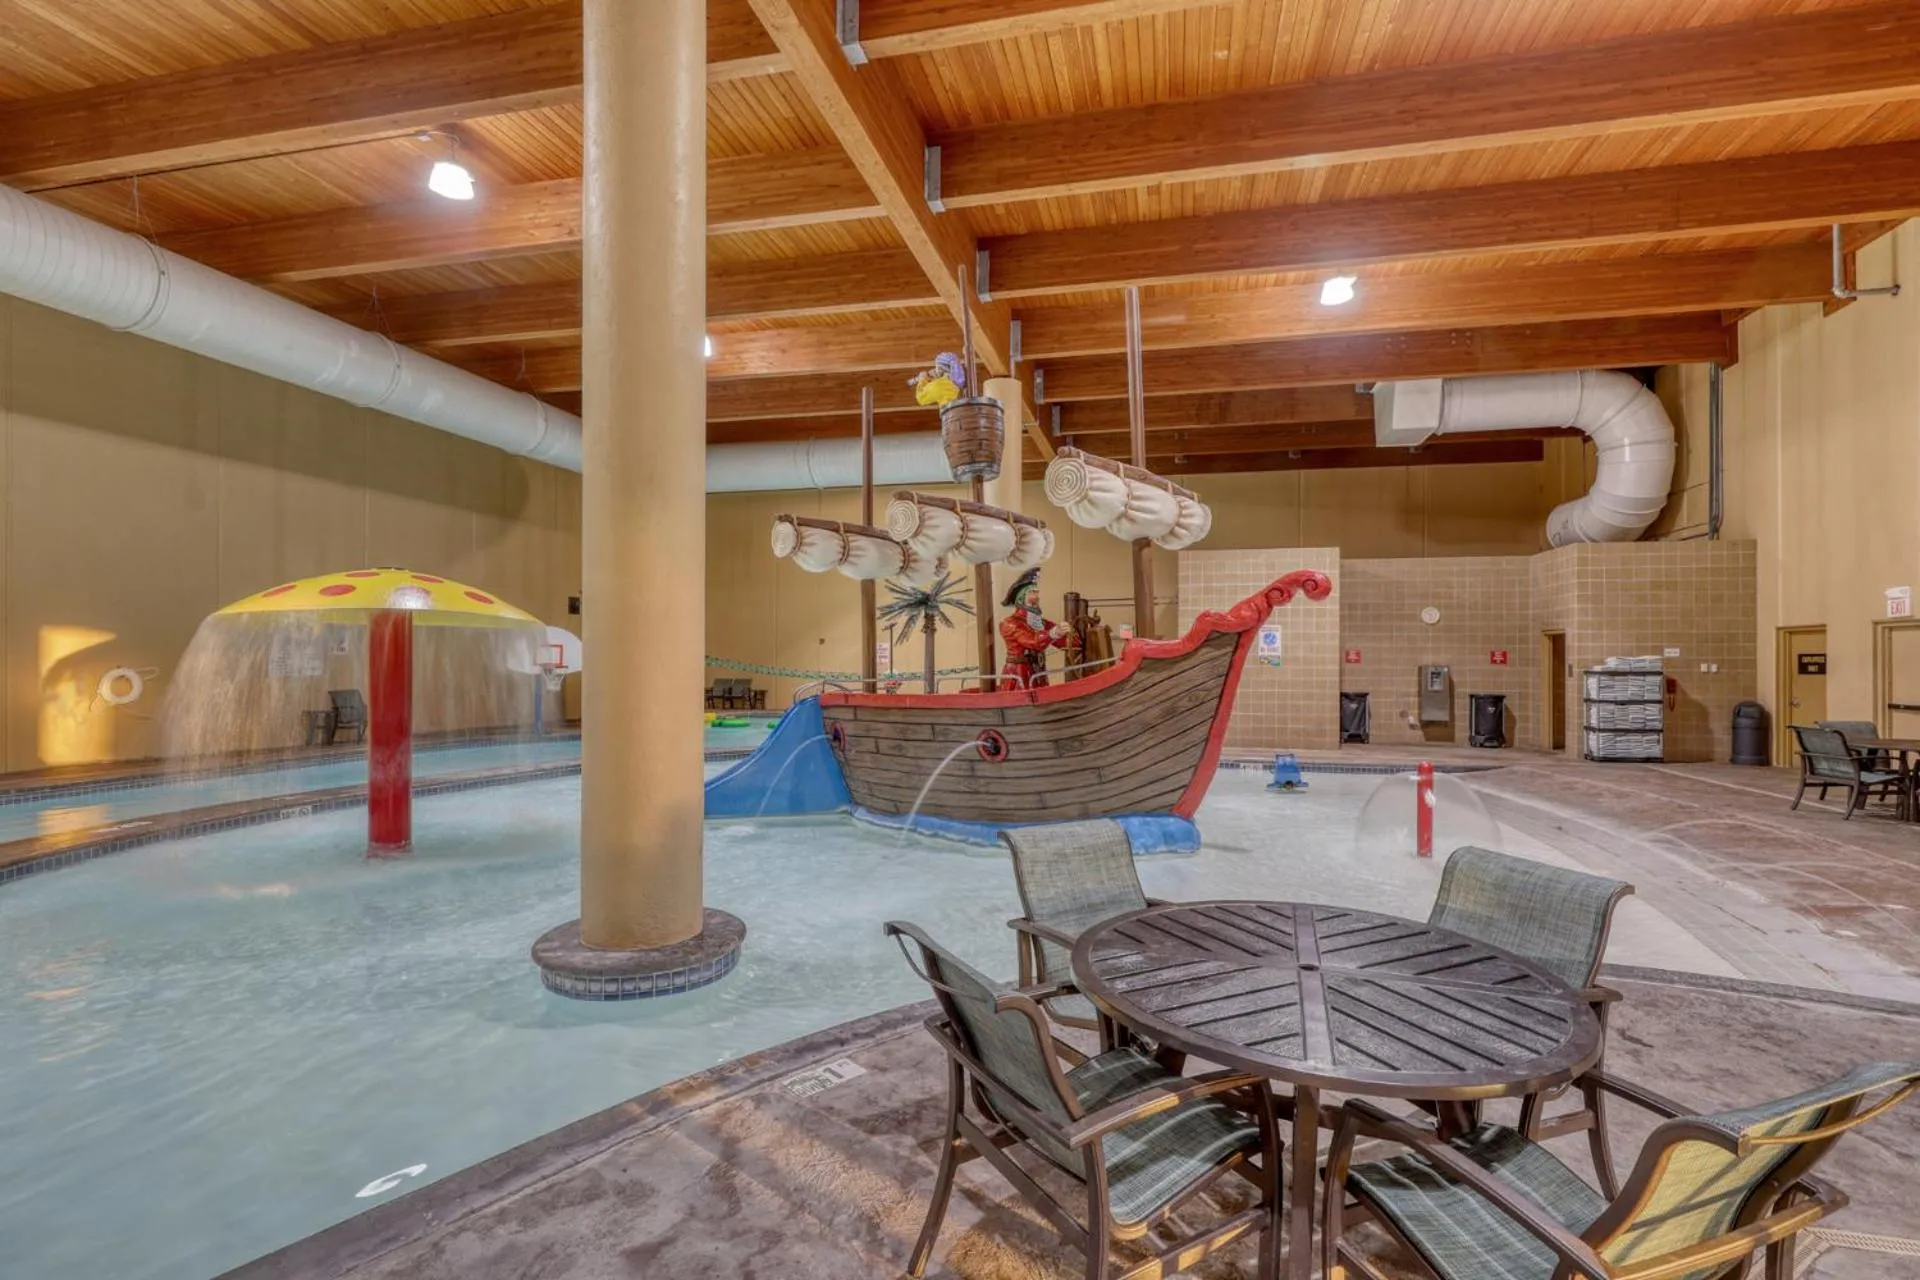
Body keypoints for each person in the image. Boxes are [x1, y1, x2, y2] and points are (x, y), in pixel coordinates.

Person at [999, 568, 1078, 689]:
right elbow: (1033, 641)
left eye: (1037, 592)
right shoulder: (1010, 623)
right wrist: (1054, 633)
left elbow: (1064, 643)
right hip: (1019, 677)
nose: (1037, 597)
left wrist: (1073, 637)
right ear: (1021, 598)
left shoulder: (1041, 623)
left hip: (1038, 675)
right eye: (1032, 592)